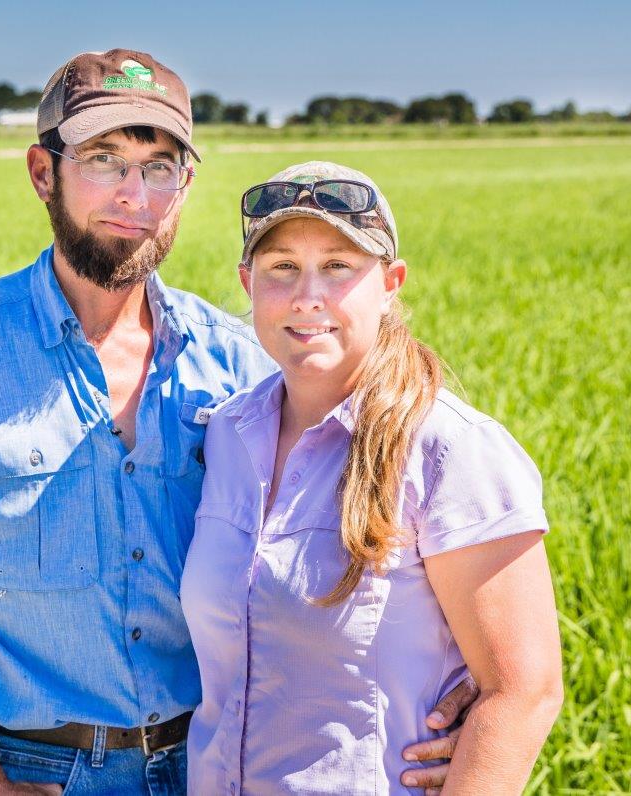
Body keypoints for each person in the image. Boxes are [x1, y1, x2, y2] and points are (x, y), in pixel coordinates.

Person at [0, 49, 476, 795]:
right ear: (44, 172)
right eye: (104, 159)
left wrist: (462, 686)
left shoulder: (247, 365)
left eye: (160, 167)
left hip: (221, 761)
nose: (135, 193)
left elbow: (384, 522)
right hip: (34, 771)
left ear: (185, 184)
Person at [181, 162, 563, 795]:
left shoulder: (447, 450)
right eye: (282, 268)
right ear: (248, 283)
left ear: (390, 283)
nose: (308, 295)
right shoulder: (226, 435)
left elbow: (523, 691)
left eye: (338, 266)